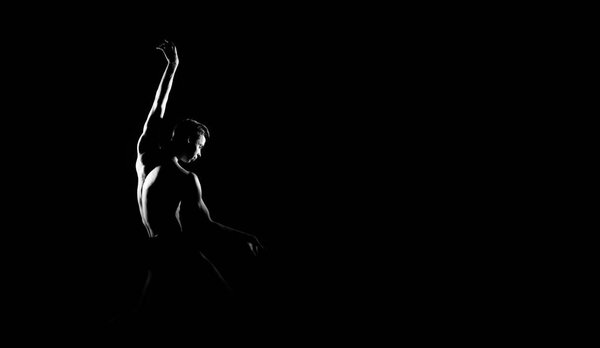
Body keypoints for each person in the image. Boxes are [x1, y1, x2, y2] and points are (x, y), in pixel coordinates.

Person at [131, 39, 263, 331]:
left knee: (145, 318)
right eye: (199, 147)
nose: (199, 154)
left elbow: (157, 108)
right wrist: (245, 235)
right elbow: (205, 225)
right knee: (230, 307)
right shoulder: (184, 178)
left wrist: (172, 65)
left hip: (153, 250)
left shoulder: (146, 156)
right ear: (188, 141)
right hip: (178, 255)